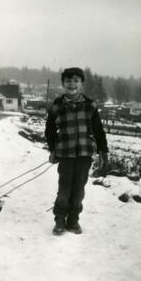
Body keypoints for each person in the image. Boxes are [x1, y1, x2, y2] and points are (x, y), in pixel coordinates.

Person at [45, 67, 108, 235]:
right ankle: (59, 220)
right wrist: (52, 149)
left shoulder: (90, 105)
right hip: (65, 155)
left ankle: (73, 221)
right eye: (68, 81)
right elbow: (49, 131)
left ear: (81, 84)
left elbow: (99, 131)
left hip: (84, 155)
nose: (71, 84)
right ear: (63, 84)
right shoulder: (57, 106)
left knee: (79, 190)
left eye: (75, 81)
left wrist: (103, 152)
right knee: (64, 190)